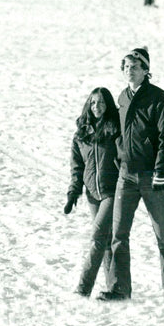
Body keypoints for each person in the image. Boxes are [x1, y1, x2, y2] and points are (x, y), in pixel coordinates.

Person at [98, 48, 164, 301]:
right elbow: (118, 134)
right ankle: (119, 288)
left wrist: (161, 171)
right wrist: (117, 158)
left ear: (146, 71)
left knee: (163, 234)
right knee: (119, 235)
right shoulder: (122, 97)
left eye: (135, 66)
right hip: (126, 176)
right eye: (126, 66)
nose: (129, 71)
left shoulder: (158, 97)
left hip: (152, 177)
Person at [64, 87, 121, 297]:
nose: (98, 107)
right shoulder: (81, 134)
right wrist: (73, 192)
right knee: (105, 240)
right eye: (94, 102)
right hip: (92, 194)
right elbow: (77, 167)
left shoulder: (115, 129)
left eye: (103, 103)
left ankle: (83, 288)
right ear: (89, 104)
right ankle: (113, 288)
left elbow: (125, 155)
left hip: (111, 192)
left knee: (98, 236)